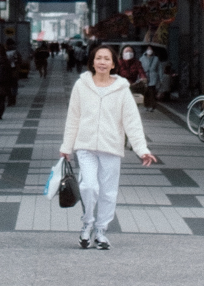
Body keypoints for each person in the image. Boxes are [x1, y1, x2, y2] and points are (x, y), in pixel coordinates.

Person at [61, 43, 156, 248]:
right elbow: (73, 118)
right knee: (88, 186)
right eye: (98, 58)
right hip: (85, 146)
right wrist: (66, 146)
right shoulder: (81, 85)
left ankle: (101, 231)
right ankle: (87, 224)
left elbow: (132, 121)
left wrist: (142, 149)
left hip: (111, 147)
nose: (102, 62)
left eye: (106, 59)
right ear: (92, 62)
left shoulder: (121, 88)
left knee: (108, 191)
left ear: (113, 64)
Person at [139, 45, 162, 111]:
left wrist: (160, 79)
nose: (149, 50)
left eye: (151, 49)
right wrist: (140, 77)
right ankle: (146, 105)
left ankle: (152, 106)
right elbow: (140, 69)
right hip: (145, 77)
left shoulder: (156, 59)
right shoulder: (142, 58)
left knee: (152, 92)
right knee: (146, 92)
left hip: (153, 77)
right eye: (148, 49)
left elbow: (159, 69)